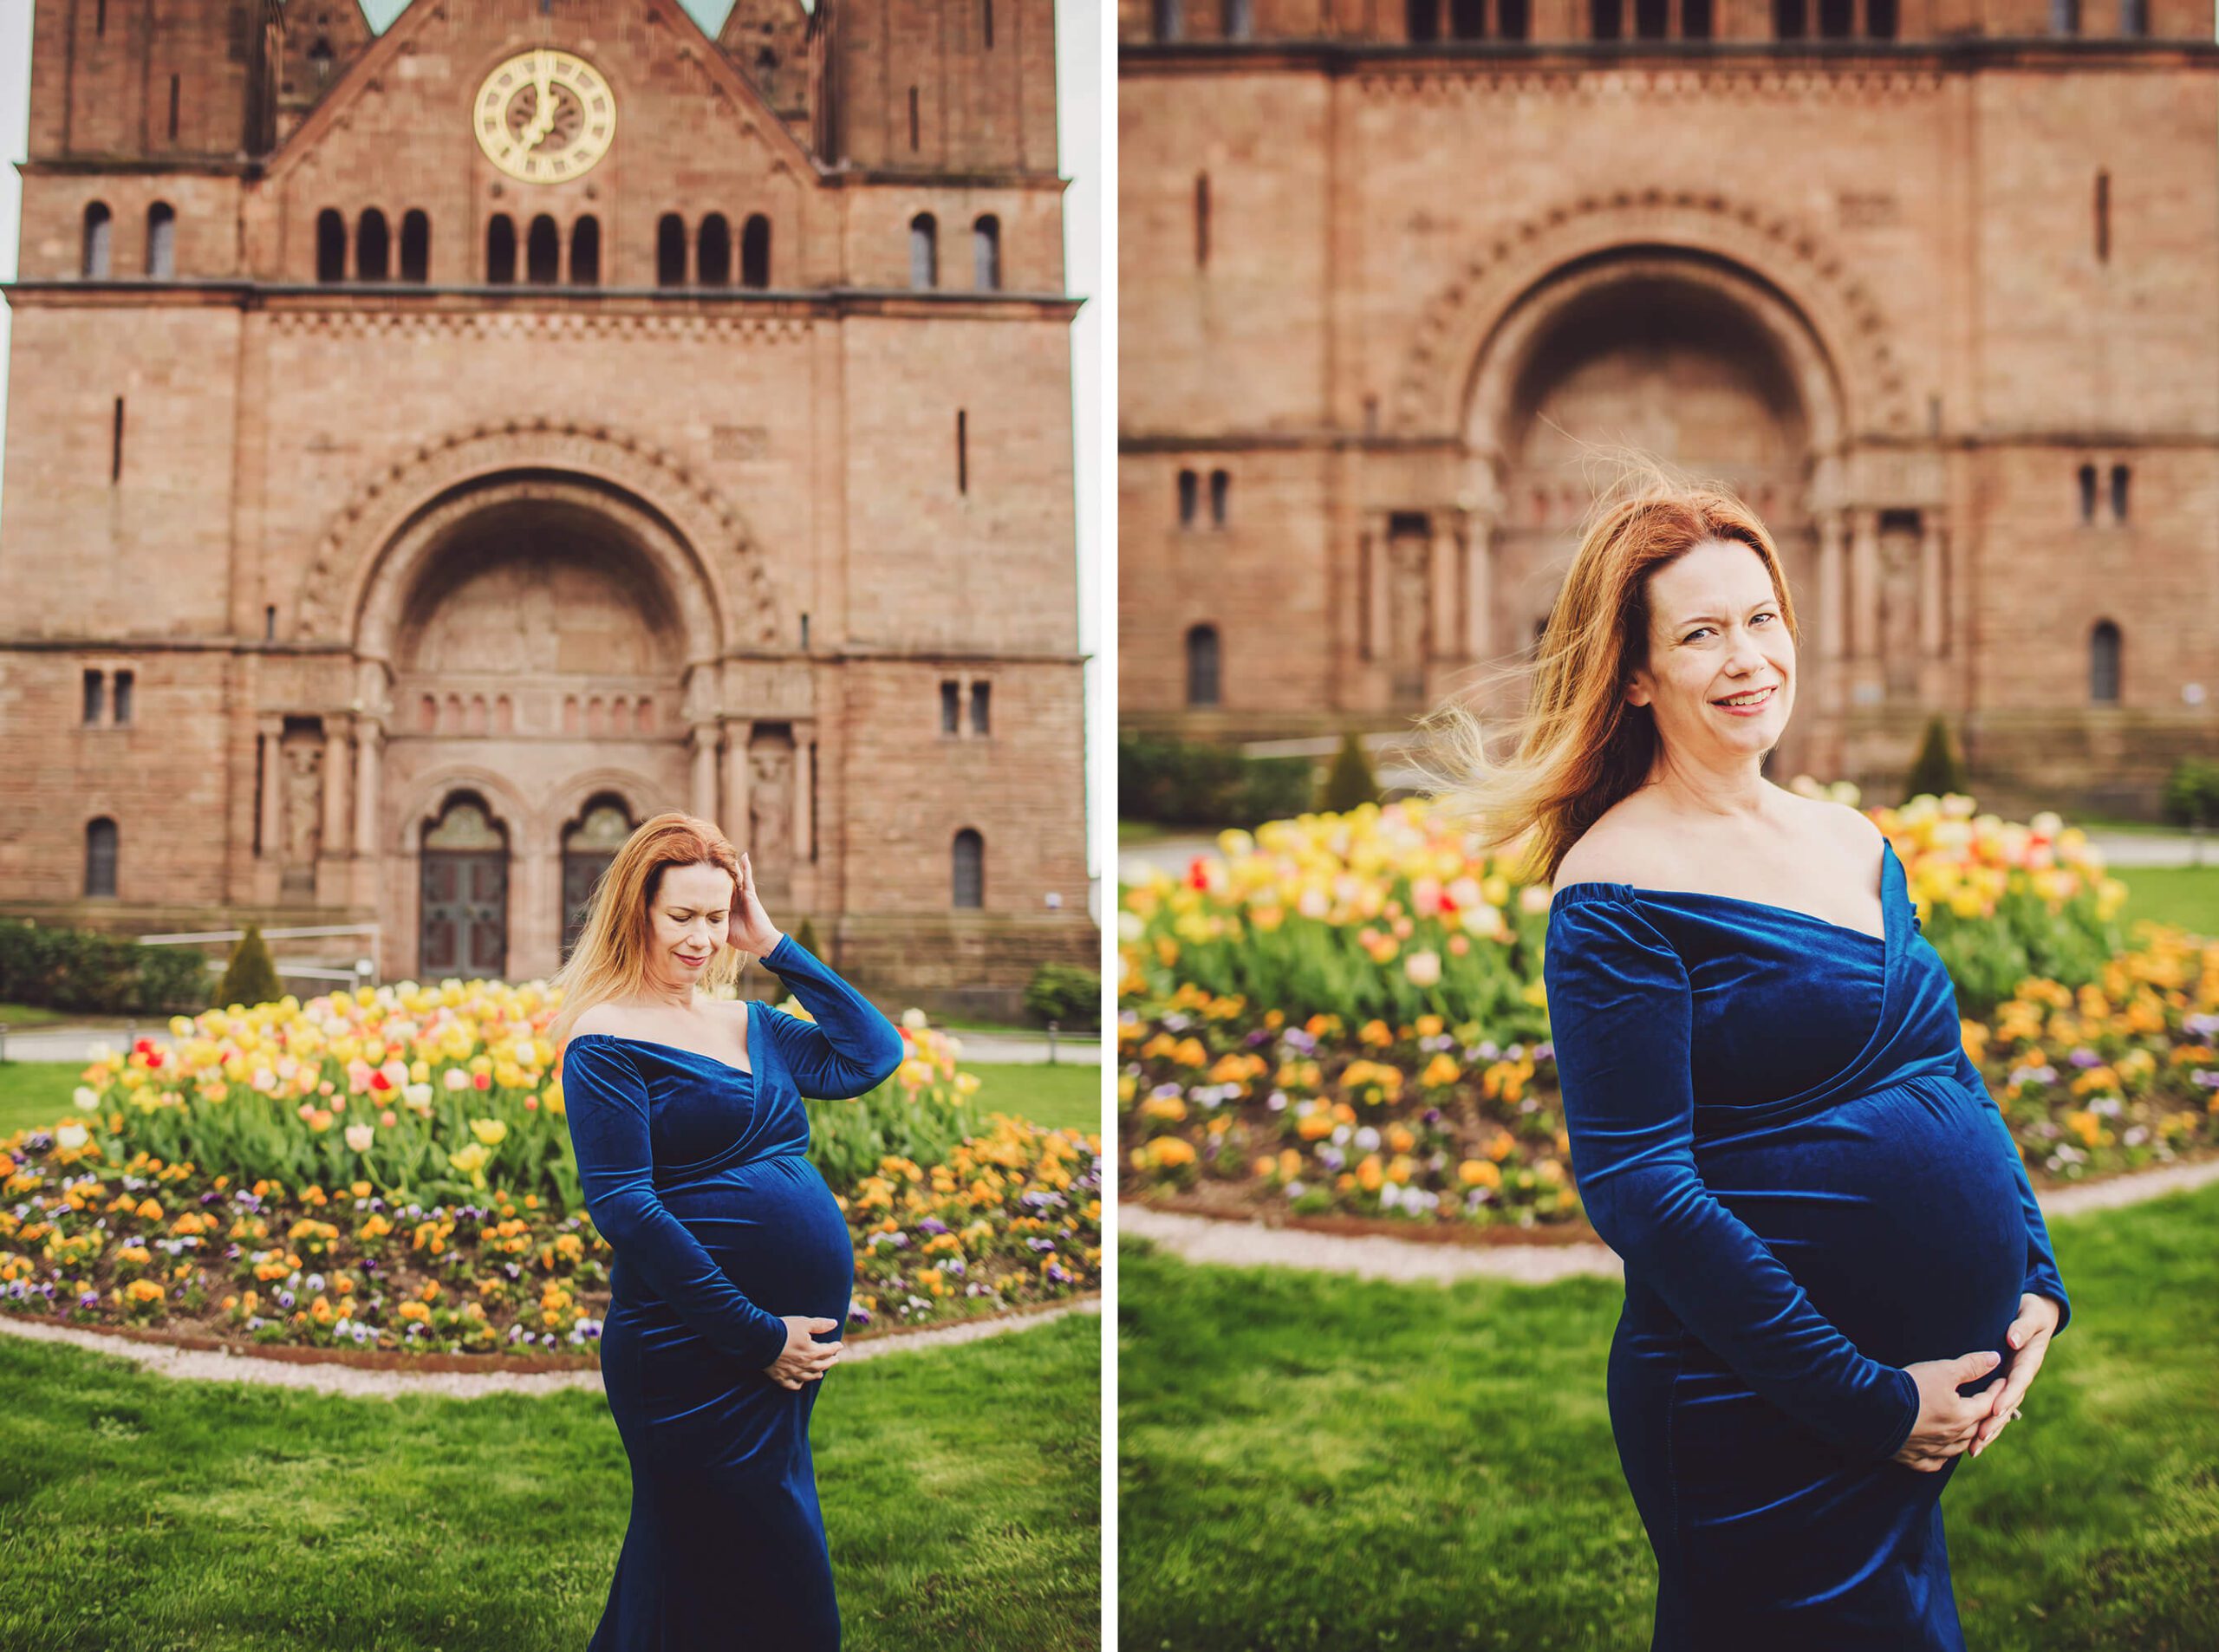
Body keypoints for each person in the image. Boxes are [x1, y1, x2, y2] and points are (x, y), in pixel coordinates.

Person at [1417, 478, 2069, 1648]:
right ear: (1633, 672)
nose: (1747, 658)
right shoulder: (1615, 889)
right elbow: (1642, 1192)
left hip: (1917, 1395)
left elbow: (1949, 1074)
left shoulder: (1852, 840)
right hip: (1755, 1410)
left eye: (1762, 619)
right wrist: (1866, 1400)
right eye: (1701, 633)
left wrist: (2035, 1277)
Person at [549, 811, 903, 1651]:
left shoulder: (749, 1023)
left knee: (696, 1563)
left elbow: (872, 1053)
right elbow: (626, 1209)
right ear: (638, 909)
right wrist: (755, 1336)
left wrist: (773, 943)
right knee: (759, 1566)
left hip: (778, 1352)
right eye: (684, 916)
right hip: (687, 1349)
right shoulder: (604, 1040)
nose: (704, 938)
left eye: (716, 917)